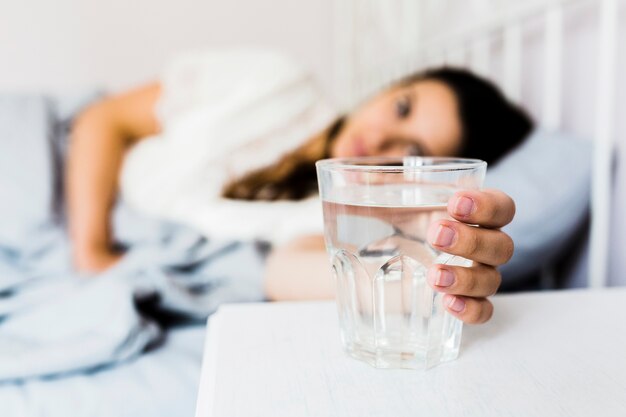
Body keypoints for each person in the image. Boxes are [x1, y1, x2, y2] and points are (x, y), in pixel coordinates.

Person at [67, 49, 527, 326]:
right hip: (77, 171)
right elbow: (104, 119)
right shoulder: (276, 80)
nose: (382, 139)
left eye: (412, 153)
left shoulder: (333, 211)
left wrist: (431, 283)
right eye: (402, 108)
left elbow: (287, 270)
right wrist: (91, 247)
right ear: (393, 87)